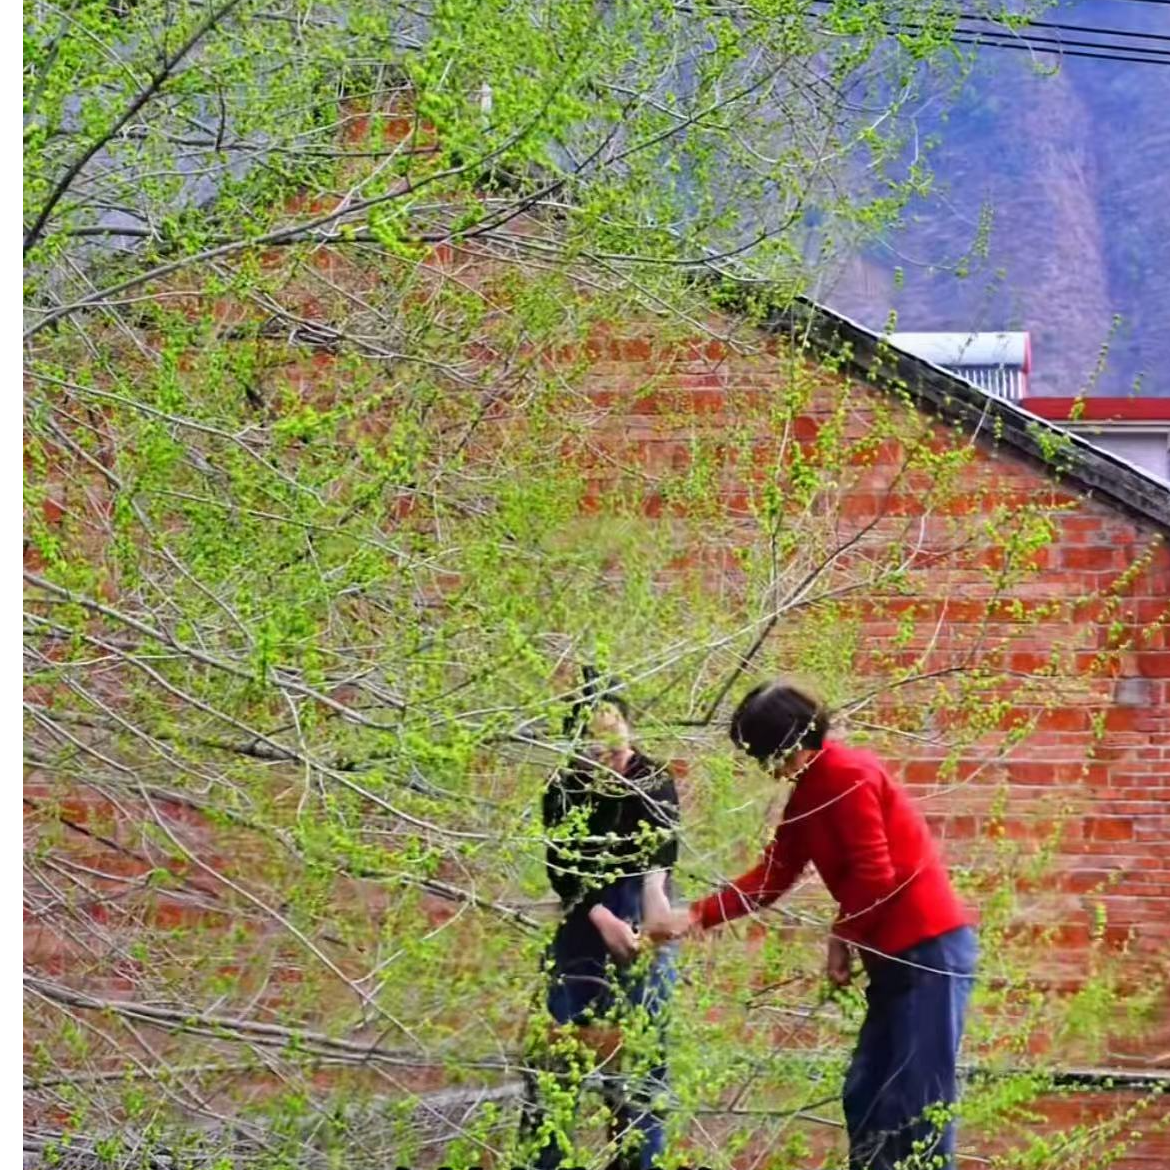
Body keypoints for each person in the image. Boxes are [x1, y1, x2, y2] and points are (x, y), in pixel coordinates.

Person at [664, 680, 977, 1170]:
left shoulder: (849, 775)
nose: (766, 767)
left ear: (786, 743)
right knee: (866, 1093)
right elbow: (772, 876)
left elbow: (878, 875)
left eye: (765, 753)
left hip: (928, 950)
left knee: (917, 1100)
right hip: (894, 959)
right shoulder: (810, 792)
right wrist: (693, 916)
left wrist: (842, 936)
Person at [518, 673, 680, 1170]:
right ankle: (546, 1158)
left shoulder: (653, 779)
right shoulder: (562, 789)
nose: (613, 760)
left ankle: (636, 1159)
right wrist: (601, 916)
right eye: (599, 751)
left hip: (639, 908)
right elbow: (562, 870)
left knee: (639, 1055)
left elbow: (660, 857)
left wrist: (654, 911)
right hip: (583, 918)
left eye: (619, 746)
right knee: (554, 1055)